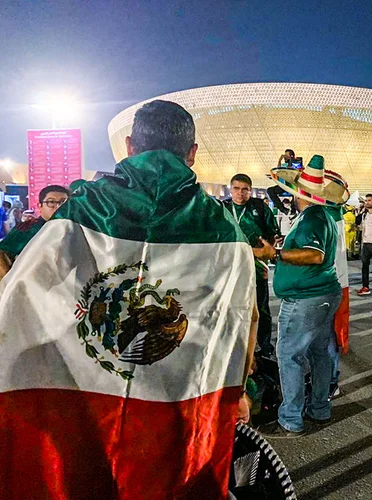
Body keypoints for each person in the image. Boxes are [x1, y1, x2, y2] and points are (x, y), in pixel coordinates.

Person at [0, 100, 260, 498]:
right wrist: (238, 390)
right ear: (192, 154)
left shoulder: (84, 208)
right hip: (178, 401)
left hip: (87, 402)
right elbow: (243, 319)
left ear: (128, 146)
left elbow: (20, 294)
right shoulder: (225, 228)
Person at [260, 155, 347, 437]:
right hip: (322, 294)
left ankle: (291, 417)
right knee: (319, 352)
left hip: (306, 298)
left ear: (302, 195)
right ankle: (319, 407)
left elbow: (314, 254)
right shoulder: (322, 216)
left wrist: (275, 254)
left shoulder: (312, 216)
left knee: (289, 355)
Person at [224, 173, 279, 358]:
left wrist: (266, 254)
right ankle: (235, 344)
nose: (240, 193)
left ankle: (264, 346)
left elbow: (272, 233)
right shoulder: (222, 208)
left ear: (250, 190)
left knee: (261, 306)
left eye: (245, 189)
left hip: (256, 264)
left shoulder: (259, 208)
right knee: (232, 304)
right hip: (229, 266)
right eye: (237, 189)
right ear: (230, 189)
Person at [0, 185, 71, 280]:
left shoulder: (73, 229)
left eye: (63, 202)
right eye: (51, 202)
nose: (58, 206)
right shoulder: (27, 229)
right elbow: (3, 257)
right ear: (40, 206)